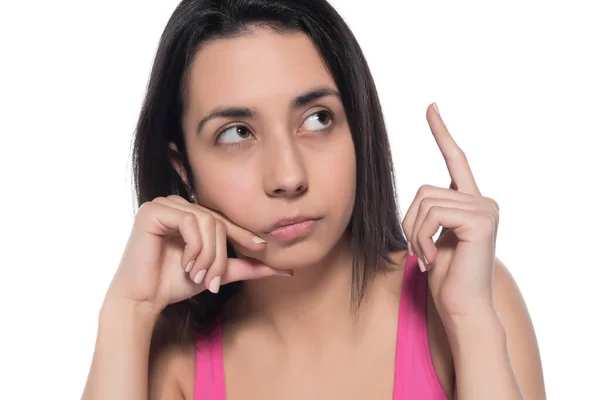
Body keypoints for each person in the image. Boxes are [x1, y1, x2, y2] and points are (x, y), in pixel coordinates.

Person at [81, 0, 546, 399]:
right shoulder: (172, 356)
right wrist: (128, 310)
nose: (288, 176)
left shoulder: (467, 297)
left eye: (317, 119)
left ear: (357, 126)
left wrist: (470, 323)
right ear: (184, 169)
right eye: (237, 133)